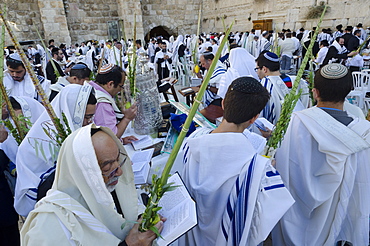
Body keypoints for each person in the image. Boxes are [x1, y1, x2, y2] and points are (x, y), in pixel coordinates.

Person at [179, 77, 294, 246]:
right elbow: (260, 224)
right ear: (254, 118)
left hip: (193, 236)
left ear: (223, 103)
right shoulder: (258, 168)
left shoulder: (192, 141)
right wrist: (267, 169)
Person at [273, 63, 370, 245]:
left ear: (315, 92)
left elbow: (286, 172)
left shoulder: (295, 123)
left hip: (297, 220)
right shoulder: (364, 132)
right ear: (349, 92)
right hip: (344, 229)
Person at [21, 125, 164, 245]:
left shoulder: (109, 184)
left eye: (118, 160)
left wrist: (143, 218)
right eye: (108, 168)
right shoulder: (49, 227)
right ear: (82, 174)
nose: (120, 172)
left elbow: (130, 204)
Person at [14, 84, 97, 217]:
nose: (89, 122)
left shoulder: (80, 133)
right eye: (86, 117)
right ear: (70, 113)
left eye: (91, 117)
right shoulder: (34, 144)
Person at [89, 64, 137, 143]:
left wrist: (121, 140)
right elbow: (111, 137)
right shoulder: (102, 103)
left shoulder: (93, 90)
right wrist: (127, 118)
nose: (120, 90)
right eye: (120, 86)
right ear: (110, 84)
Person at [255, 52, 308, 124]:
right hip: (298, 127)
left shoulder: (264, 85)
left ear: (264, 69)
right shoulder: (298, 81)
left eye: (257, 69)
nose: (257, 72)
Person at [195, 52, 226, 122]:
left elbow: (220, 91)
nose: (202, 66)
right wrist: (199, 75)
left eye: (203, 64)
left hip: (218, 101)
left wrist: (207, 87)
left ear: (209, 61)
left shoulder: (220, 72)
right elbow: (206, 82)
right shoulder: (210, 69)